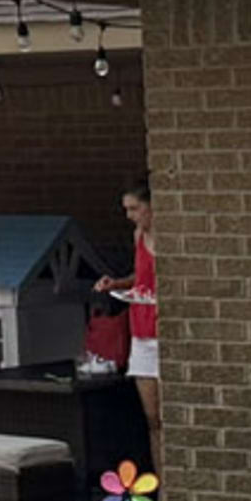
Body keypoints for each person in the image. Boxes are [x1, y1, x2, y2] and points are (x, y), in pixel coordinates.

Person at [97, 178, 161, 468]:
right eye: (127, 209)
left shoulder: (167, 238)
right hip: (141, 330)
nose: (130, 216)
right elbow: (140, 277)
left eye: (135, 209)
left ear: (151, 207)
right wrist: (116, 284)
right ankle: (162, 483)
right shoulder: (138, 236)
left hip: (162, 328)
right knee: (152, 417)